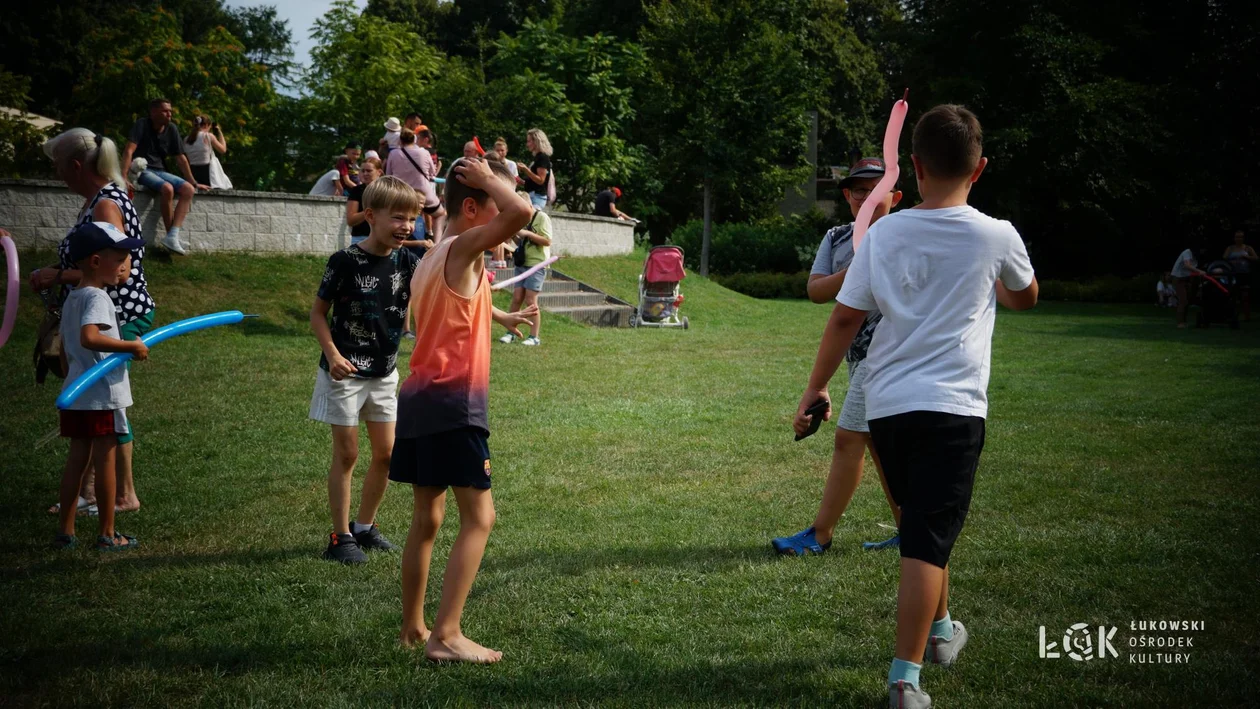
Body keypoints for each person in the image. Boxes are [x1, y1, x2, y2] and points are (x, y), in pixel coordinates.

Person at [792, 105, 1037, 709]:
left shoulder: (886, 234)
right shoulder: (997, 234)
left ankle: (945, 629)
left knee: (922, 524)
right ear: (979, 169)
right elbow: (1025, 297)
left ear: (917, 167)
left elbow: (847, 315)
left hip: (890, 407)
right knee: (926, 538)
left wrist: (816, 387)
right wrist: (998, 283)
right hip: (954, 409)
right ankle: (906, 678)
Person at [391, 157, 536, 663]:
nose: (504, 229)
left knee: (426, 519)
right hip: (453, 405)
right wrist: (491, 181)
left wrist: (500, 313)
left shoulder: (433, 256)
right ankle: (446, 634)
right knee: (480, 517)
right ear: (471, 207)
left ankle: (412, 627)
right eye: (489, 203)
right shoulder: (464, 246)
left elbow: (456, 302)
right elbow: (522, 213)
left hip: (417, 402)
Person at [771, 157, 902, 557]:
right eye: (859, 190)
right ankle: (909, 529)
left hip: (888, 352)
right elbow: (816, 290)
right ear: (847, 195)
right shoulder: (837, 237)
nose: (867, 197)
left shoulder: (902, 235)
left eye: (876, 190)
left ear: (894, 197)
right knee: (878, 444)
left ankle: (821, 534)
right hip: (857, 356)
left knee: (848, 439)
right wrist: (854, 271)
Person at [33, 127, 155, 517]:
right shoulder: (95, 201)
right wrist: (57, 271)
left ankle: (122, 495)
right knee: (94, 404)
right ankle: (89, 490)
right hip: (96, 314)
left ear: (74, 165)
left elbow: (114, 269)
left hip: (115, 316)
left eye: (58, 167)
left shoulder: (106, 203)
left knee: (106, 404)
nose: (57, 176)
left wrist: (59, 275)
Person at [310, 175, 424, 564]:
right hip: (344, 372)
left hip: (384, 372)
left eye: (411, 219)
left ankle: (364, 527)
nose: (406, 227)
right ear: (370, 216)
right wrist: (333, 353)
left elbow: (449, 289)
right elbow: (317, 314)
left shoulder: (409, 261)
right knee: (347, 454)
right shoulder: (344, 261)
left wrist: (498, 312)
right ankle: (340, 537)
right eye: (398, 218)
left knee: (387, 455)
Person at [52, 221, 150, 551]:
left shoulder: (74, 296)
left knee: (76, 461)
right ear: (96, 261)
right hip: (100, 396)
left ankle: (66, 530)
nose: (125, 263)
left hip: (79, 392)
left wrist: (72, 376)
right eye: (119, 256)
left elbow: (67, 347)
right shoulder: (96, 296)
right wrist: (131, 347)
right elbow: (90, 337)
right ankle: (107, 533)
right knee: (105, 461)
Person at [122, 98, 203, 255]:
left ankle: (173, 235)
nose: (169, 114)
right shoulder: (142, 124)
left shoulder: (171, 129)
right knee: (167, 188)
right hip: (142, 170)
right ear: (153, 112)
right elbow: (129, 150)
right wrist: (123, 177)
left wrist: (193, 181)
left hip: (160, 170)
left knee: (188, 189)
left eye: (170, 111)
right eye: (165, 111)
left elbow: (180, 158)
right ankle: (170, 237)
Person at [498, 191, 553, 347]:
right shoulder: (521, 218)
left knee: (530, 300)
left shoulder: (541, 218)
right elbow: (521, 241)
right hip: (522, 263)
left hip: (537, 264)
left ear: (528, 205)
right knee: (516, 298)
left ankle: (534, 337)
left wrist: (527, 233)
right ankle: (510, 332)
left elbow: (547, 241)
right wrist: (515, 234)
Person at [387, 128, 445, 240]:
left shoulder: (393, 153)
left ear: (400, 140)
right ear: (414, 139)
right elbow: (432, 172)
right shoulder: (424, 152)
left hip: (401, 193)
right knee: (440, 214)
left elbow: (389, 174)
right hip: (423, 193)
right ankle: (437, 243)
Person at [184, 116, 230, 189]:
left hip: (192, 171)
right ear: (206, 125)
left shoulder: (186, 139)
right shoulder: (208, 136)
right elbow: (223, 150)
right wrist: (219, 132)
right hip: (206, 171)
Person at [345, 157, 382, 246]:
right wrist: (371, 210)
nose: (365, 174)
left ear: (379, 172)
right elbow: (351, 220)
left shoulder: (387, 191)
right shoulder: (356, 191)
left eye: (369, 171)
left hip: (382, 238)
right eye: (362, 171)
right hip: (360, 238)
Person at [516, 128, 553, 210]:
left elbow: (540, 180)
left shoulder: (542, 157)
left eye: (529, 141)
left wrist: (526, 170)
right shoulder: (537, 157)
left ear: (536, 141)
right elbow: (535, 181)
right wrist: (522, 182)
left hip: (537, 197)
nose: (527, 144)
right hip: (533, 196)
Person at [1224, 229, 1255, 321]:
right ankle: (1233, 315)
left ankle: (1247, 317)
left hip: (1244, 274)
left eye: (1241, 237)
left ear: (1243, 238)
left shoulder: (1248, 248)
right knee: (1232, 295)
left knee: (1245, 296)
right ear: (1234, 238)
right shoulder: (1230, 248)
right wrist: (1232, 260)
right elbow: (1224, 257)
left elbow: (1256, 258)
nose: (1239, 238)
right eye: (1237, 237)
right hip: (1233, 274)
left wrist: (1246, 256)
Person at [1170, 245, 1203, 328]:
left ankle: (1184, 322)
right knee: (1183, 300)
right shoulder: (1187, 253)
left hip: (1186, 279)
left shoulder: (1195, 257)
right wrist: (1200, 271)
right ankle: (1180, 323)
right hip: (1178, 278)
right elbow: (1187, 265)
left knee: (1187, 301)